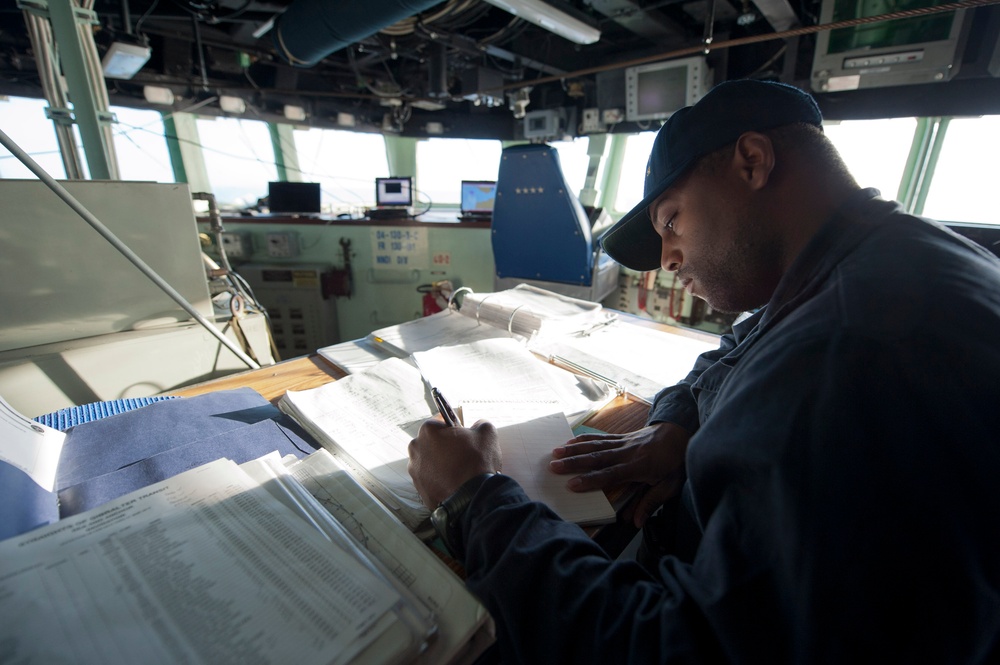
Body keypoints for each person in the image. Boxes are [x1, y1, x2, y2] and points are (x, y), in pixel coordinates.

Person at [407, 79, 1000, 663]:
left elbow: (672, 651)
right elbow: (740, 344)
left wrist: (474, 500)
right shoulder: (887, 259)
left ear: (752, 161)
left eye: (670, 222)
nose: (666, 260)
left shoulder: (842, 361)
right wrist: (678, 425)